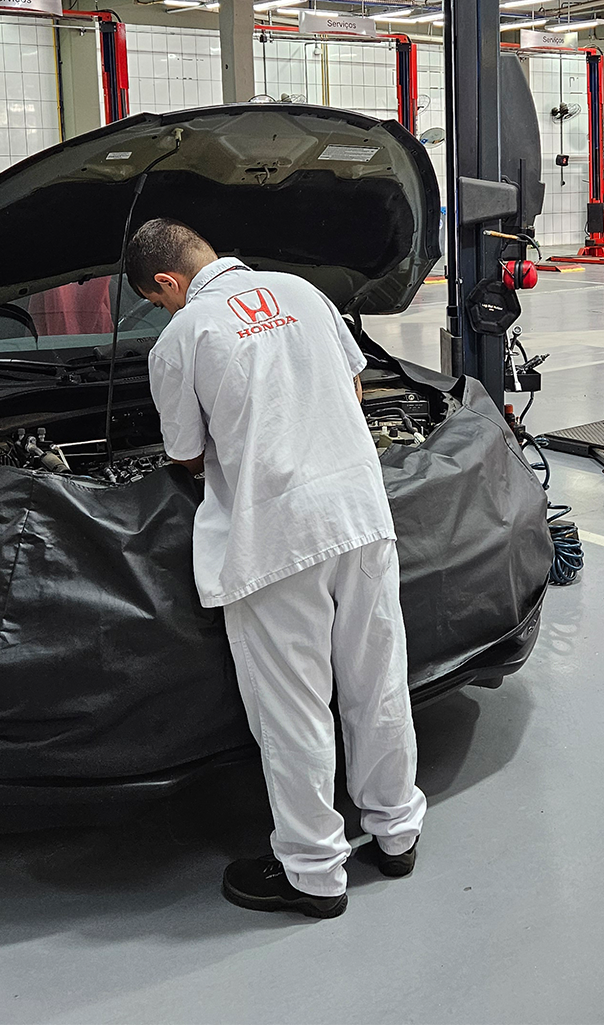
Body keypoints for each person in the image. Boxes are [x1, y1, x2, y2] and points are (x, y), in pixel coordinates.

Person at [129, 216, 426, 919]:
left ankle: (314, 872)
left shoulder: (183, 335)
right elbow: (354, 391)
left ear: (168, 282)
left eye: (156, 298)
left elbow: (185, 455)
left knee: (292, 710)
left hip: (276, 541)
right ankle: (397, 831)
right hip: (359, 515)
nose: (163, 308)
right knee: (377, 683)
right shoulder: (301, 291)